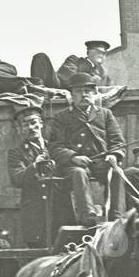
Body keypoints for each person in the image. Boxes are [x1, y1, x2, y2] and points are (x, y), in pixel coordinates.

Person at [48, 72, 126, 227]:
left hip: (101, 162)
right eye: (78, 91)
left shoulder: (105, 114)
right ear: (72, 95)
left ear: (94, 93)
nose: (83, 95)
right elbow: (54, 147)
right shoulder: (61, 117)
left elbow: (118, 141)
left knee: (117, 172)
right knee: (79, 173)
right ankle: (88, 215)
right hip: (74, 165)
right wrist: (73, 157)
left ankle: (117, 217)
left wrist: (114, 155)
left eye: (87, 91)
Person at [7, 103, 63, 247]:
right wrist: (35, 166)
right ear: (20, 129)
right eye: (25, 125)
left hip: (59, 208)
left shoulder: (55, 147)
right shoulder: (16, 153)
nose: (31, 127)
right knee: (38, 256)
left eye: (33, 123)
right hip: (35, 214)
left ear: (41, 124)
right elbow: (17, 178)